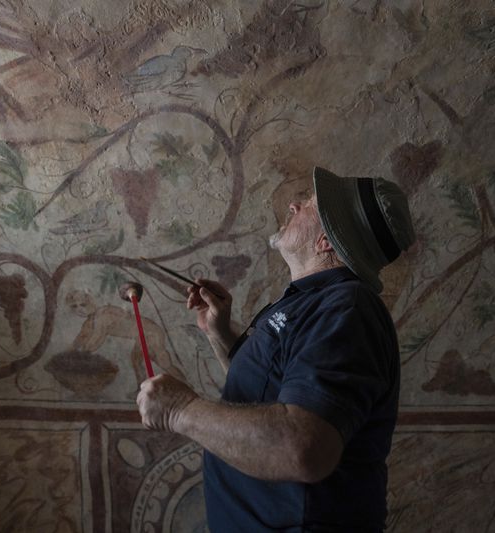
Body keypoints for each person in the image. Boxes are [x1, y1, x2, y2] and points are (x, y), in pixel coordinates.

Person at [136, 166, 415, 531]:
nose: (294, 205)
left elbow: (304, 449)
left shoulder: (347, 309)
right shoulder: (311, 301)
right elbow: (269, 396)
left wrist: (179, 410)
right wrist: (220, 333)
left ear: (326, 241)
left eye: (310, 205)